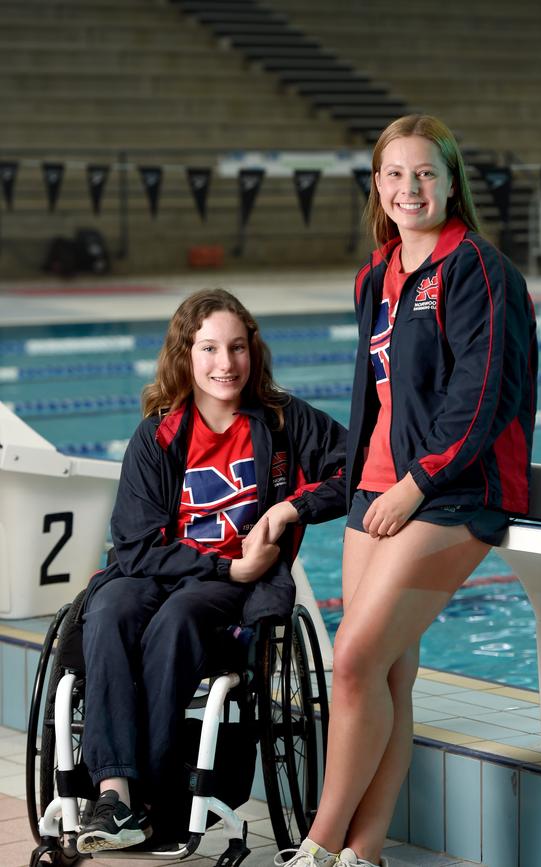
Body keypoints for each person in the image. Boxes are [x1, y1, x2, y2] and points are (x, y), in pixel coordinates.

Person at [279, 114, 538, 867]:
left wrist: (417, 485)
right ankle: (366, 850)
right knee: (388, 668)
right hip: (376, 491)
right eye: (395, 173)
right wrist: (355, 486)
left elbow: (482, 394)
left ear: (451, 181)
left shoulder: (478, 270)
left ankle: (320, 847)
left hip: (456, 493)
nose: (409, 187)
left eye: (425, 172)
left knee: (354, 661)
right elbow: (377, 399)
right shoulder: (376, 273)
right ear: (378, 186)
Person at [76, 288, 347, 854]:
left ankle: (149, 800)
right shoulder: (157, 436)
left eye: (238, 347)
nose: (226, 364)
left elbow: (356, 468)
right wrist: (227, 566)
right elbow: (134, 546)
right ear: (185, 354)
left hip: (226, 592)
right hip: (174, 573)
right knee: (107, 610)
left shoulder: (283, 422)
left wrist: (289, 508)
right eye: (210, 349)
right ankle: (114, 794)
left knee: (178, 617)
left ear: (254, 352)